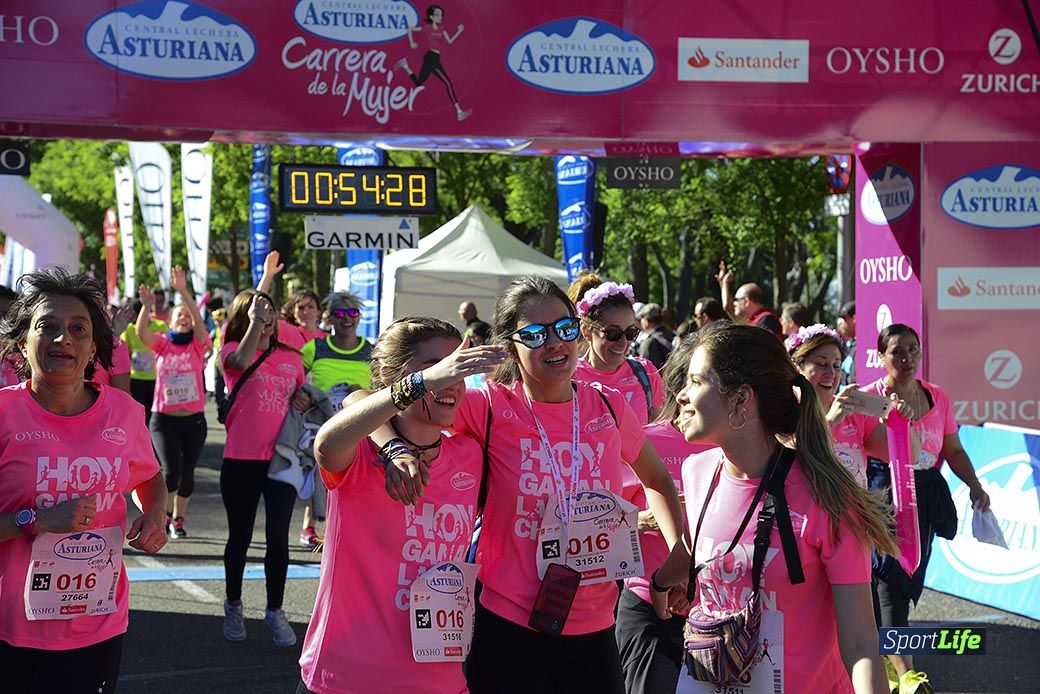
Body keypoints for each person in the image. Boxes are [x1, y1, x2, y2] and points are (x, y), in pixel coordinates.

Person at [436, 275, 684, 693]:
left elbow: (658, 479)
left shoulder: (607, 404)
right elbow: (366, 403)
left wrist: (678, 559)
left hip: (596, 626)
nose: (554, 342)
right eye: (535, 334)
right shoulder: (490, 406)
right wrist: (394, 446)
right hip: (511, 625)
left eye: (564, 328)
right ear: (510, 345)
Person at [650, 322, 898, 693]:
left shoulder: (828, 497)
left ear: (740, 399)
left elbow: (862, 643)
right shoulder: (697, 471)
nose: (681, 395)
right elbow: (700, 547)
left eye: (696, 382)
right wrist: (658, 583)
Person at [297, 318, 505, 694]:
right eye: (434, 368)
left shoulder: (469, 454)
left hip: (442, 682)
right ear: (397, 377)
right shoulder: (361, 452)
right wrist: (398, 431)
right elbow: (327, 444)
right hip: (347, 680)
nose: (448, 381)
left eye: (454, 369)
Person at [0, 268, 167, 693]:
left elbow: (149, 476)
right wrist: (34, 519)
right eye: (47, 326)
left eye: (78, 329)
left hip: (96, 624)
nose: (63, 338)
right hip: (7, 628)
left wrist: (154, 515)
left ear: (94, 346)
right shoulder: (3, 414)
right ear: (22, 341)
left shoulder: (125, 413)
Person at [863, 324, 991, 694]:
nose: (906, 359)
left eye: (913, 350)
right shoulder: (870, 396)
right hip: (882, 495)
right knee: (891, 582)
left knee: (905, 579)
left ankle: (886, 660)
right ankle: (908, 674)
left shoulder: (937, 396)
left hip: (925, 500)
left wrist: (975, 485)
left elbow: (952, 449)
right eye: (897, 352)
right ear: (881, 356)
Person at [615, 337, 711, 694]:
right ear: (679, 386)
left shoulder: (735, 449)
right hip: (650, 607)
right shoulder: (644, 439)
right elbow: (605, 518)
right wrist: (646, 519)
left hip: (713, 610)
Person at [220, 289, 310, 647]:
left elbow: (303, 400)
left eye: (270, 311)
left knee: (278, 538)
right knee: (239, 537)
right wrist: (254, 323)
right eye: (259, 312)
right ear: (245, 316)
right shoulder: (230, 350)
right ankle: (234, 604)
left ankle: (275, 610)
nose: (268, 317)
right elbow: (241, 362)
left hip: (282, 460)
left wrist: (303, 400)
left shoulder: (292, 358)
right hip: (241, 458)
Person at [134, 268, 211, 540]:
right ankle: (163, 515)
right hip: (163, 420)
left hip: (193, 420)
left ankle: (178, 519)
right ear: (169, 321)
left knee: (187, 473)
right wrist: (145, 307)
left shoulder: (198, 346)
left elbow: (200, 324)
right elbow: (141, 332)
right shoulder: (163, 345)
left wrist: (184, 293)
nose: (185, 319)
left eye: (188, 316)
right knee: (170, 471)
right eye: (180, 314)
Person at [787, 324, 912, 487]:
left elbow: (910, 456)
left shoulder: (853, 412)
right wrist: (829, 422)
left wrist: (900, 423)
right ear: (797, 368)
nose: (831, 374)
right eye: (821, 364)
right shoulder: (780, 410)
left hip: (852, 512)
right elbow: (780, 459)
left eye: (837, 365)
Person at [299, 291, 374, 548]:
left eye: (352, 313)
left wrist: (360, 393)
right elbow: (294, 380)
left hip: (359, 426)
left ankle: (343, 529)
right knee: (318, 475)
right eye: (340, 313)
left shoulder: (371, 350)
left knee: (352, 481)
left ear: (359, 317)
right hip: (321, 425)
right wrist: (305, 396)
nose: (347, 318)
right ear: (329, 318)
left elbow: (384, 387)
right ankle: (310, 526)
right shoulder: (315, 348)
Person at [570, 273, 665, 425]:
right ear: (586, 331)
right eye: (612, 334)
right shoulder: (568, 377)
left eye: (630, 333)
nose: (623, 343)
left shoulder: (646, 373)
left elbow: (660, 433)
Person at [397, 5, 472, 121]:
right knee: (448, 83)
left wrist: (459, 32)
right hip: (431, 58)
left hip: (434, 58)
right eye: (437, 15)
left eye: (441, 15)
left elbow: (450, 41)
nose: (440, 17)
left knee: (418, 82)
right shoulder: (427, 27)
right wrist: (412, 43)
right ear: (431, 16)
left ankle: (405, 65)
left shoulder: (441, 28)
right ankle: (459, 112)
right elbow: (410, 29)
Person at [122, 299, 168, 425]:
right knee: (139, 412)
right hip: (136, 377)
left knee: (153, 413)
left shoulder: (160, 325)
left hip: (156, 378)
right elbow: (125, 350)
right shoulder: (130, 329)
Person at [715, 261, 782, 337]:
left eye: (736, 300)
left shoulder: (767, 320)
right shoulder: (752, 319)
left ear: (747, 301)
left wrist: (724, 285)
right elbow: (728, 307)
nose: (734, 303)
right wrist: (724, 285)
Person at [636, 303, 675, 370]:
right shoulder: (673, 335)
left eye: (641, 318)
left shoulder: (648, 343)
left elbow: (645, 372)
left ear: (647, 321)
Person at [837, 301, 856, 386]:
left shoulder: (863, 347)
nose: (843, 324)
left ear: (854, 318)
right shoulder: (849, 344)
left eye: (845, 319)